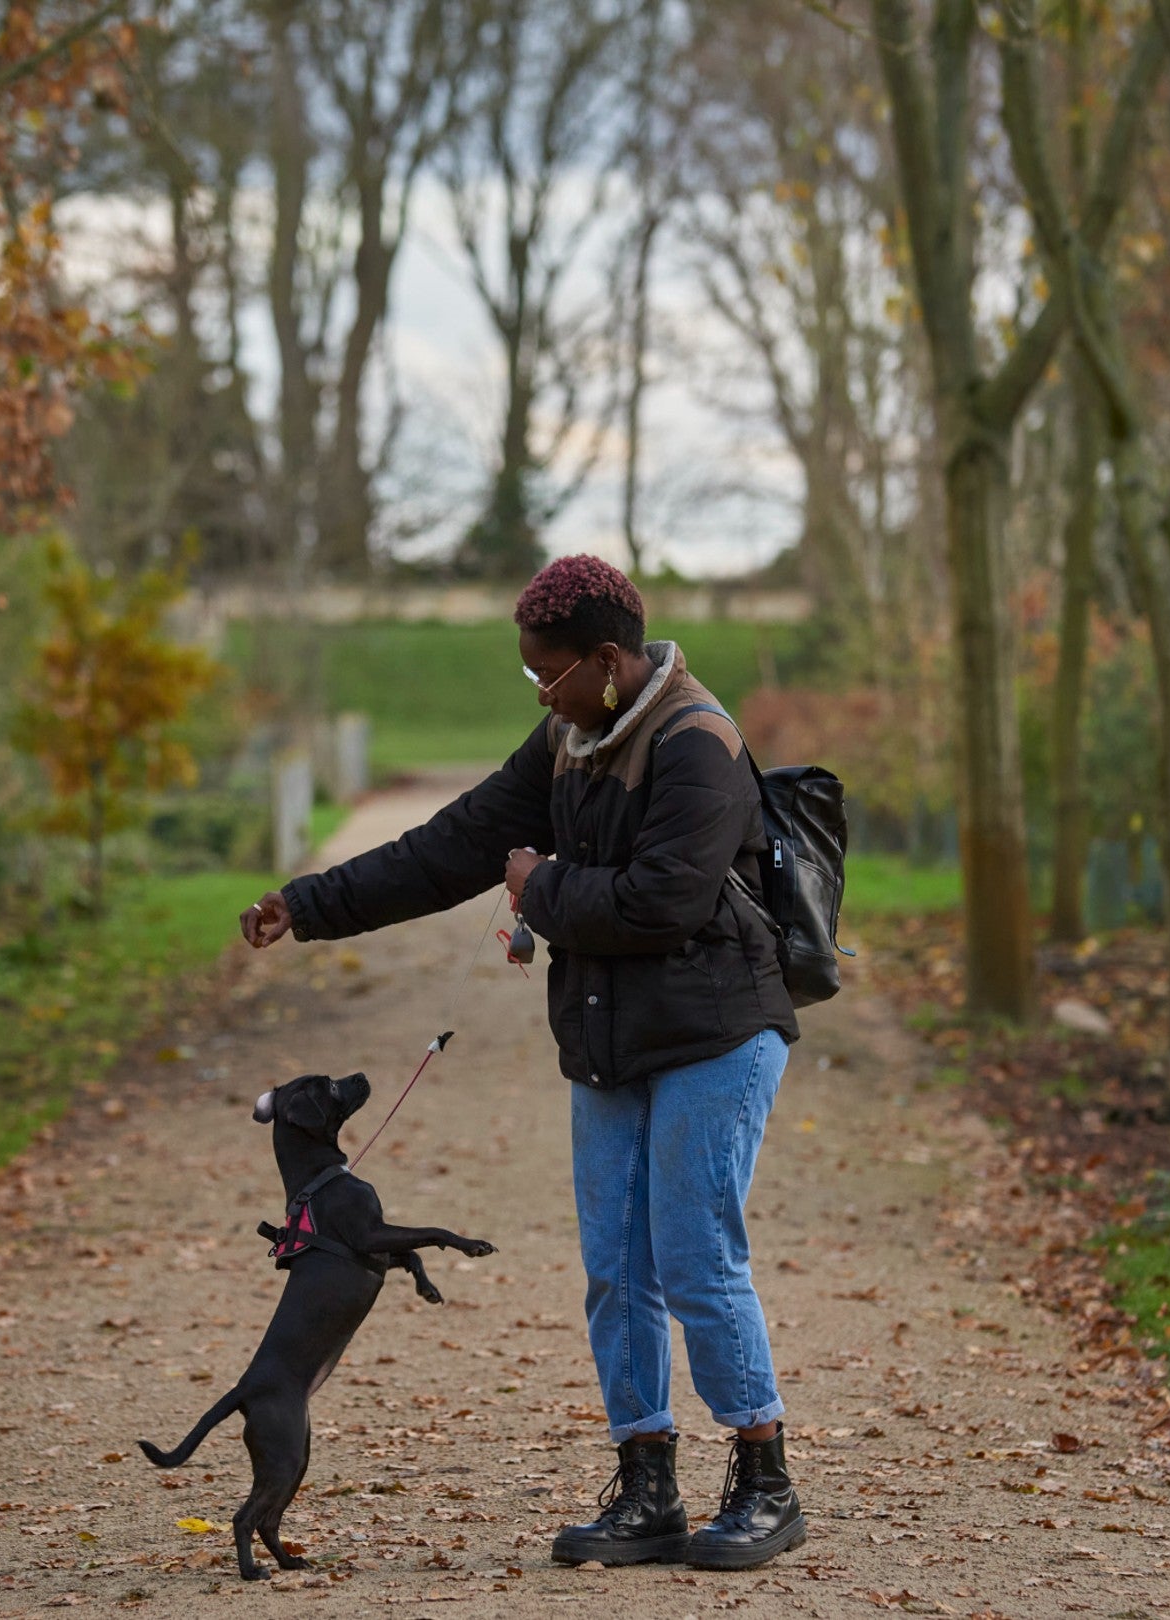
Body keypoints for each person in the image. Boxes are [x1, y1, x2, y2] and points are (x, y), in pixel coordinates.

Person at [236, 555, 804, 1571]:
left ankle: (765, 1479)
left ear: (606, 660)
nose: (540, 695)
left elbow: (660, 903)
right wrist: (311, 903)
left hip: (718, 1035)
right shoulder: (570, 739)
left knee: (692, 1258)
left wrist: (541, 890)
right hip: (609, 1039)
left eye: (548, 676)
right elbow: (454, 846)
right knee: (615, 1271)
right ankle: (647, 1488)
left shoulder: (699, 746)